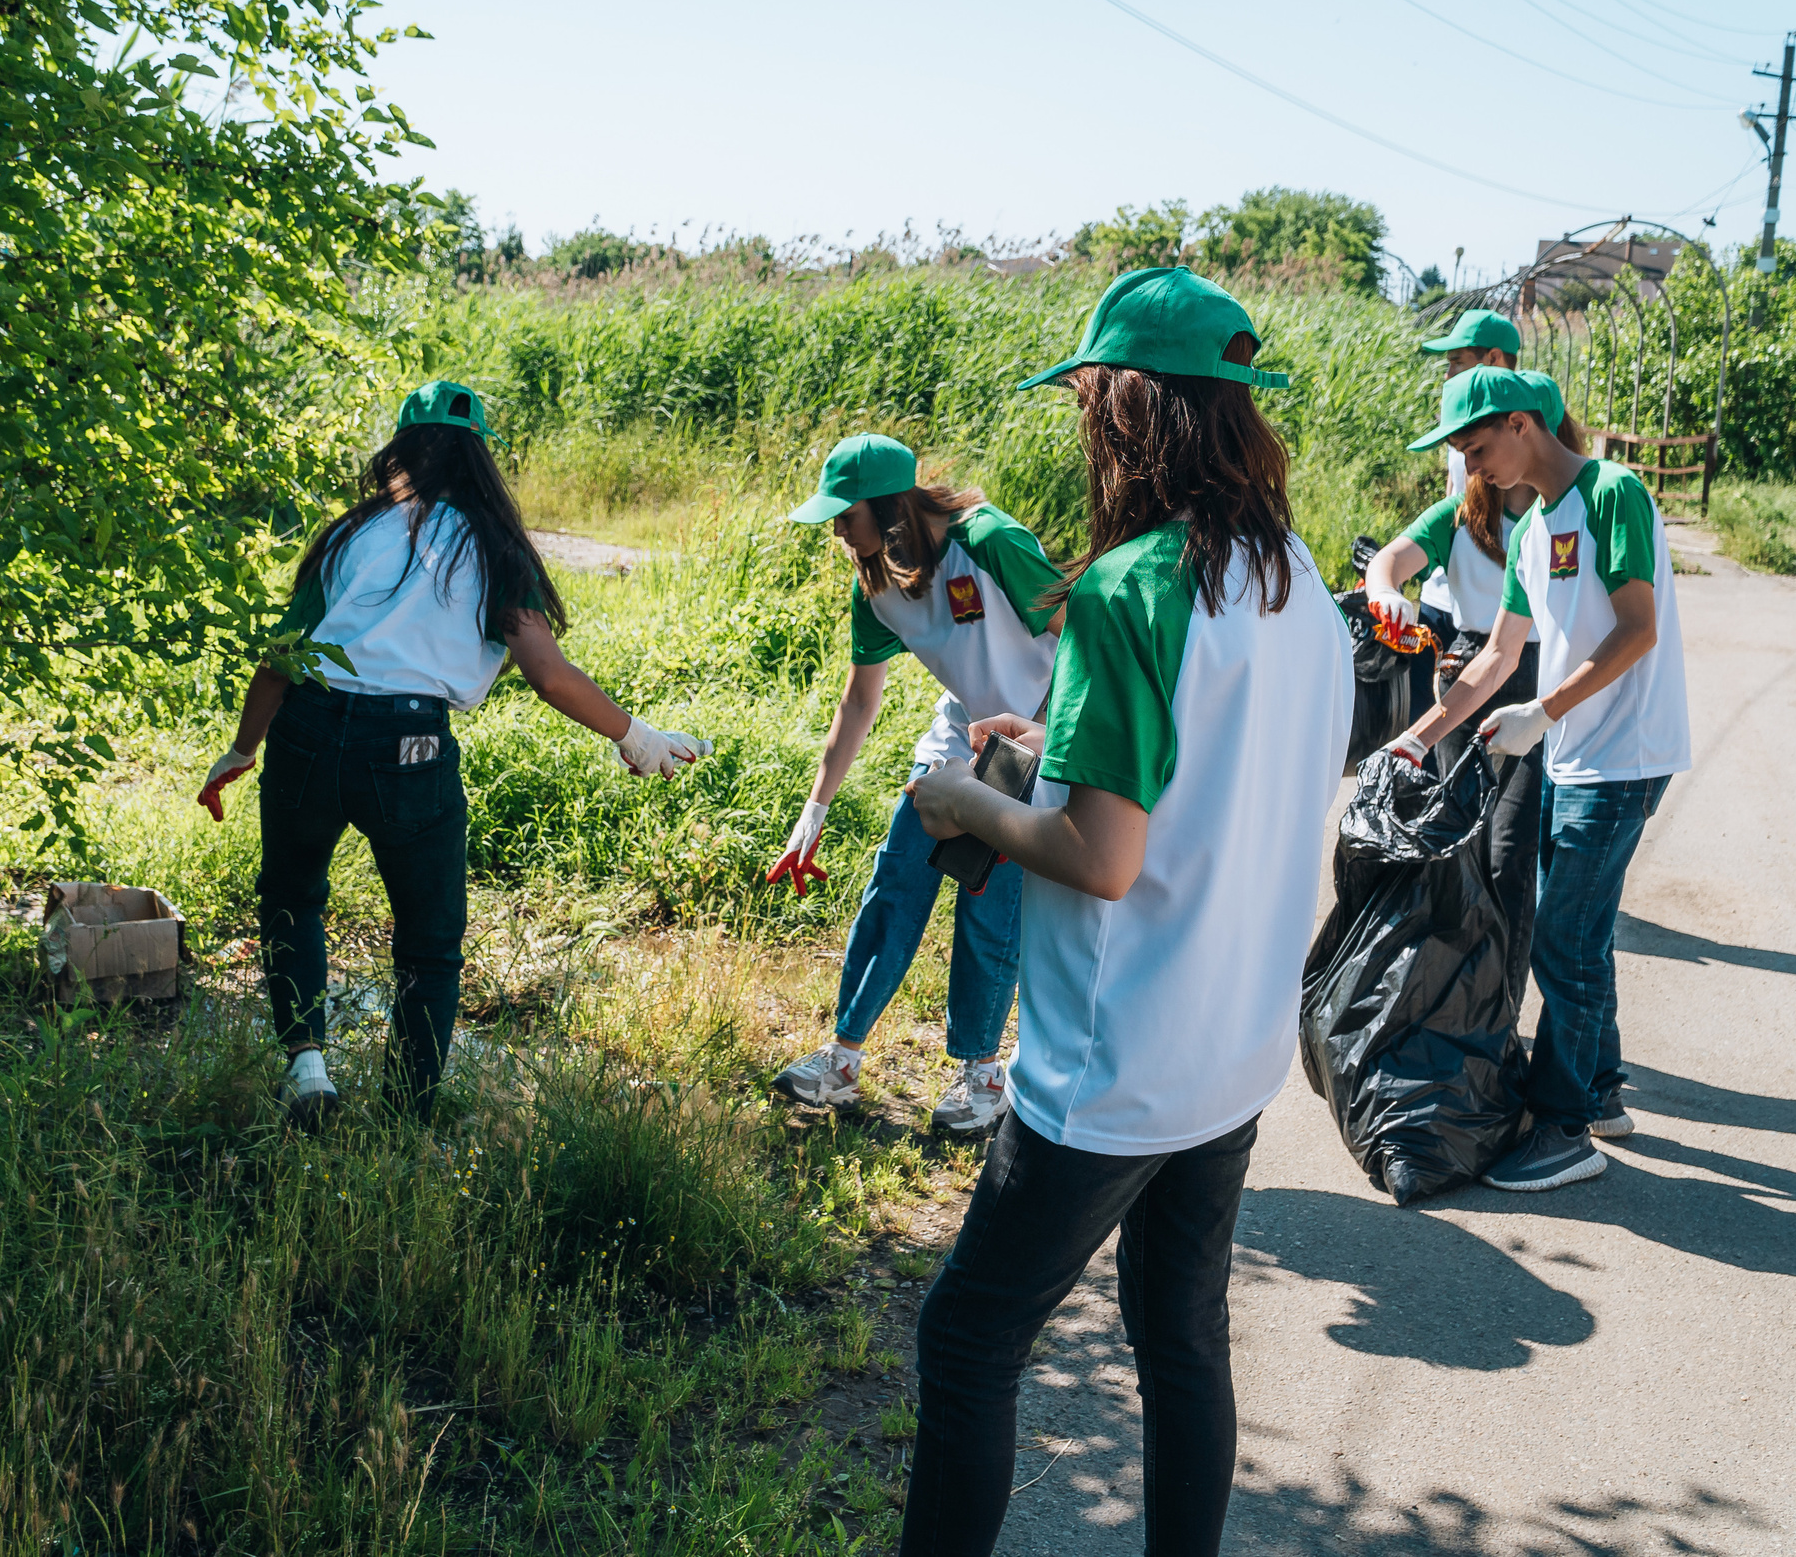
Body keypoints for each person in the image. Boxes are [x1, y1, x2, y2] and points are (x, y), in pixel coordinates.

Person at [900, 269, 1352, 1556]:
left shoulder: (1124, 588)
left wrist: (964, 800)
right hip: (1233, 1048)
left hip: (1114, 1063)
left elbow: (1097, 858)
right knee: (1179, 1340)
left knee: (968, 1337)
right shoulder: (1290, 575)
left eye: (1086, 397)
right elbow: (1226, 759)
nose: (1080, 421)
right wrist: (1053, 741)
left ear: (1121, 407)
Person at [197, 381, 710, 1126]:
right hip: (408, 744)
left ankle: (307, 1072)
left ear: (399, 451)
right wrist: (635, 735)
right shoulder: (495, 547)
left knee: (291, 896)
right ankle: (406, 1119)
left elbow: (281, 658)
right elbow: (550, 674)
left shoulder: (350, 534)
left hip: (308, 729)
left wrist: (242, 748)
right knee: (429, 945)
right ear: (481, 458)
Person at [1388, 364, 1691, 1193]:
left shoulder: (1612, 493)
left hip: (1623, 754)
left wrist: (1543, 712)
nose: (1472, 468)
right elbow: (1496, 656)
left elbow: (1637, 630)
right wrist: (1416, 738)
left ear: (1523, 423)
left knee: (1563, 936)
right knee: (1578, 927)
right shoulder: (1529, 531)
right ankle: (1600, 1089)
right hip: (1571, 749)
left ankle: (1562, 1126)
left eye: (1479, 447)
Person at [766, 432, 1064, 1135]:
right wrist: (813, 814)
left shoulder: (987, 538)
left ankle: (983, 1079)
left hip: (1034, 736)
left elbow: (1076, 627)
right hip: (961, 732)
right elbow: (858, 702)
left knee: (987, 904)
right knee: (895, 880)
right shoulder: (875, 583)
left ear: (891, 504)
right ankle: (840, 1059)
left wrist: (1047, 738)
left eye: (847, 514)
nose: (838, 530)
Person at [1362, 374, 1585, 1004]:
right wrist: (1385, 594)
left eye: (1476, 450)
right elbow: (1390, 561)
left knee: (1510, 852)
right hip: (1465, 678)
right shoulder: (1462, 517)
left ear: (1534, 430)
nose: (1471, 466)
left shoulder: (1565, 514)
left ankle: (1500, 1013)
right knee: (1458, 845)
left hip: (1538, 683)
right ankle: (1457, 998)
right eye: (1464, 454)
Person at [1403, 307, 1521, 718]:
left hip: (1499, 614)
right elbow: (1457, 494)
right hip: (1444, 595)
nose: (1448, 372)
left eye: (1457, 361)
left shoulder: (1515, 426)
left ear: (1492, 359)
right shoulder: (1460, 411)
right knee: (1430, 715)